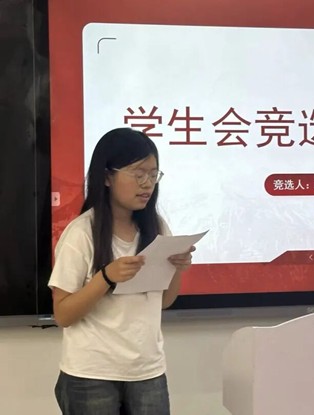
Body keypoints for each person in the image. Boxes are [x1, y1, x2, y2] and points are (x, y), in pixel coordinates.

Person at [48, 127, 194, 415]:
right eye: (138, 173)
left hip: (148, 372)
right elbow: (63, 314)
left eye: (153, 174)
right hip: (91, 374)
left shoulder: (156, 227)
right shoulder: (82, 233)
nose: (147, 183)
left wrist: (177, 268)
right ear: (106, 177)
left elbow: (164, 301)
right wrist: (105, 277)